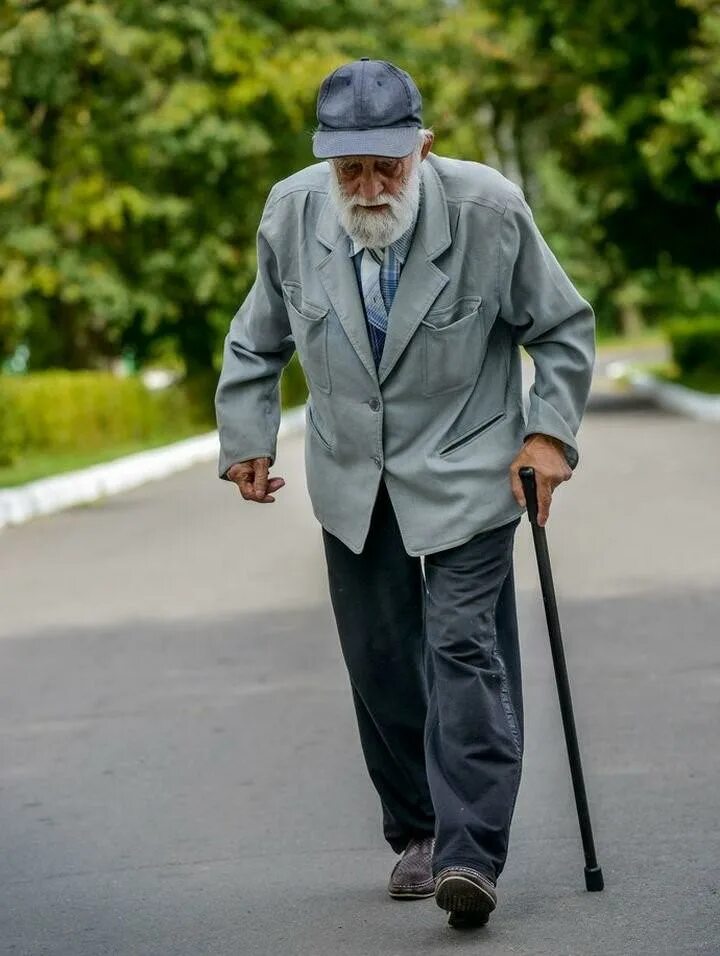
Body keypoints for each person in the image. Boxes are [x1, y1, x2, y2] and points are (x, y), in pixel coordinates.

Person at [214, 57, 595, 929]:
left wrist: (547, 434)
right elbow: (256, 336)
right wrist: (246, 438)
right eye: (351, 169)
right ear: (325, 161)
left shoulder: (488, 211)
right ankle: (418, 832)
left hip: (465, 468)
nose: (371, 185)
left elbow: (562, 328)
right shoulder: (293, 212)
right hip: (353, 475)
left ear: (423, 147)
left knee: (464, 649)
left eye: (388, 165)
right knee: (380, 662)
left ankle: (471, 853)